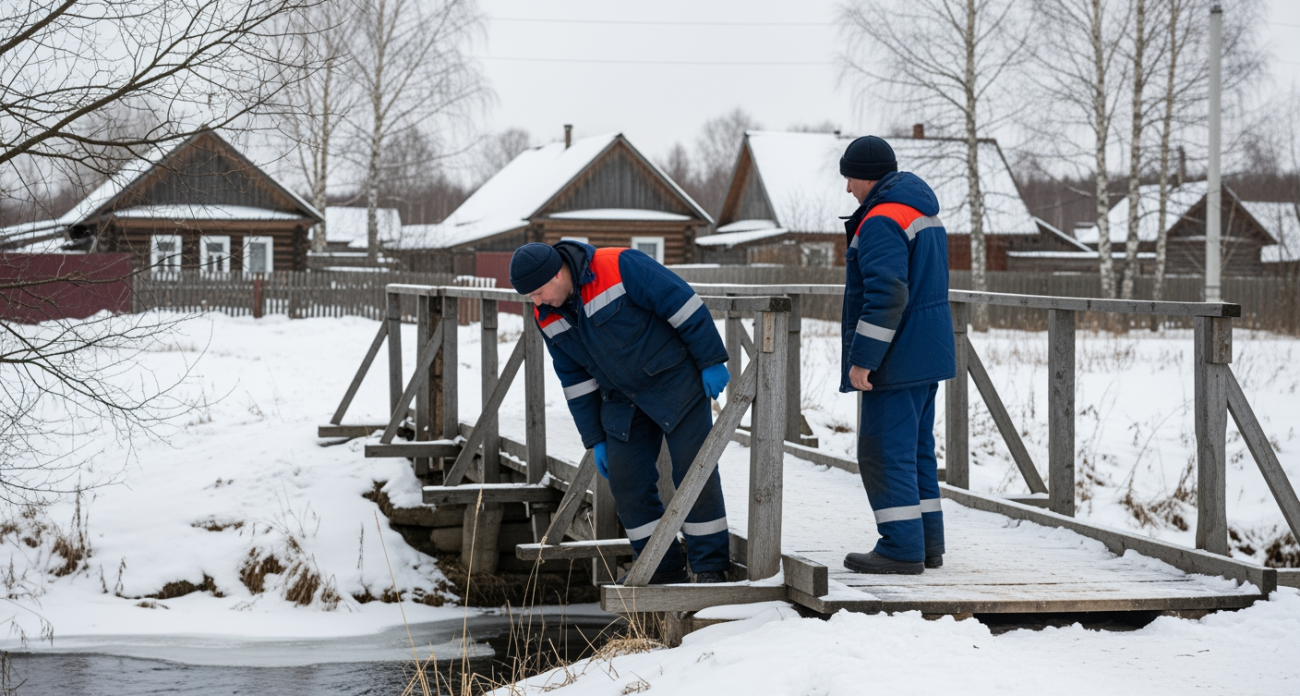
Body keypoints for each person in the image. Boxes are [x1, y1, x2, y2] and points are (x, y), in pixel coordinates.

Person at [509, 240, 733, 584]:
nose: (536, 302)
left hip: (676, 382)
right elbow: (575, 379)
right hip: (622, 399)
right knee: (627, 483)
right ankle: (659, 567)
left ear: (558, 273)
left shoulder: (619, 265)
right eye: (530, 297)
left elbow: (683, 304)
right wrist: (595, 437)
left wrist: (711, 360)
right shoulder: (547, 316)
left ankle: (710, 568)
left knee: (693, 472)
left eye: (539, 292)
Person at [838, 135, 956, 575]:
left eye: (849, 177)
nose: (848, 188)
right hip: (928, 352)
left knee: (883, 451)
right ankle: (927, 544)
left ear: (866, 176)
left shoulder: (882, 220)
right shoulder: (922, 212)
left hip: (897, 356)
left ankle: (900, 547)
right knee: (915, 451)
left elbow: (887, 294)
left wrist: (863, 358)